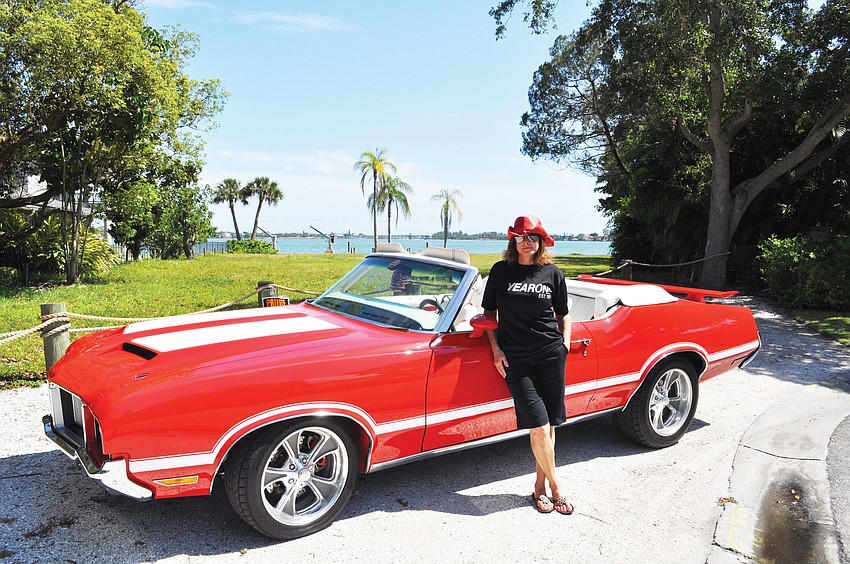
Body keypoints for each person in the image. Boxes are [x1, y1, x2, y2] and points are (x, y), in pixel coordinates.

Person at [481, 215, 574, 515]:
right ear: (513, 241)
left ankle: (538, 487)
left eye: (532, 237)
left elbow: (564, 314)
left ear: (541, 242)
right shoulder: (500, 272)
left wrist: (566, 344)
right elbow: (488, 315)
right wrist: (496, 350)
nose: (526, 242)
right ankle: (557, 487)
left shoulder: (552, 273)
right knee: (539, 425)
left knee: (549, 425)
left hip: (550, 354)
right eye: (520, 237)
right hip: (516, 358)